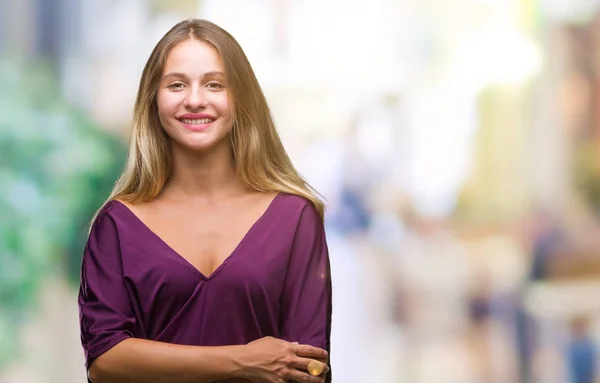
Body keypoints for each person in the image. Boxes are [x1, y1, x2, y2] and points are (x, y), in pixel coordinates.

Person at [78, 18, 332, 383]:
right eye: (177, 84)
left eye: (214, 84)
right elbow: (104, 362)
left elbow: (310, 368)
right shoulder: (117, 224)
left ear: (241, 97)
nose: (195, 100)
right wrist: (241, 361)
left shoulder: (295, 218)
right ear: (153, 98)